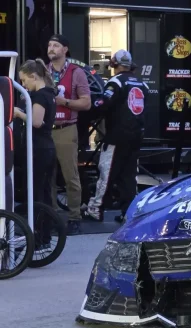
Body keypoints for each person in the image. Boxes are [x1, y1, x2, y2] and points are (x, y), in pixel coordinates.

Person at [82, 50, 149, 223]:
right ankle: (128, 212)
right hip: (136, 136)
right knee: (129, 176)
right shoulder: (142, 84)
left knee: (107, 172)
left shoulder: (116, 82)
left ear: (115, 64)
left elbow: (103, 104)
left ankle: (95, 209)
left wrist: (88, 109)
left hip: (117, 137)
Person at [47, 34, 90, 234]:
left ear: (65, 49)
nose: (51, 48)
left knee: (70, 176)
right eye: (49, 45)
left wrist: (63, 102)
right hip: (45, 128)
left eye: (56, 45)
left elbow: (86, 103)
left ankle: (74, 217)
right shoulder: (43, 70)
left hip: (66, 128)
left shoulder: (76, 72)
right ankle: (50, 215)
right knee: (47, 175)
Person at [14, 59, 57, 251]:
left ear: (34, 76)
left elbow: (37, 122)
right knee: (43, 194)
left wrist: (19, 113)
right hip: (45, 148)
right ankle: (43, 236)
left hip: (39, 149)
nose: (23, 86)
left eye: (24, 81)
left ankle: (39, 237)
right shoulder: (48, 93)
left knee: (37, 194)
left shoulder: (40, 96)